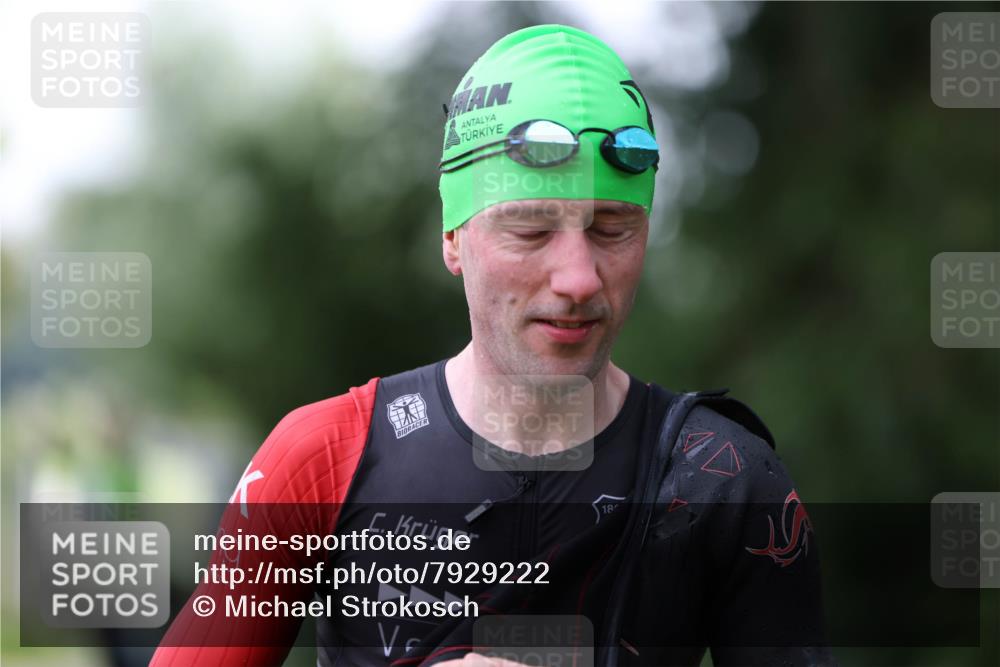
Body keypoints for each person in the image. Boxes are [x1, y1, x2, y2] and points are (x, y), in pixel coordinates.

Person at [150, 24, 834, 667]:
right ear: (453, 237)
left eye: (613, 228)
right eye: (531, 231)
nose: (577, 278)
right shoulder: (322, 457)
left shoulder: (726, 481)